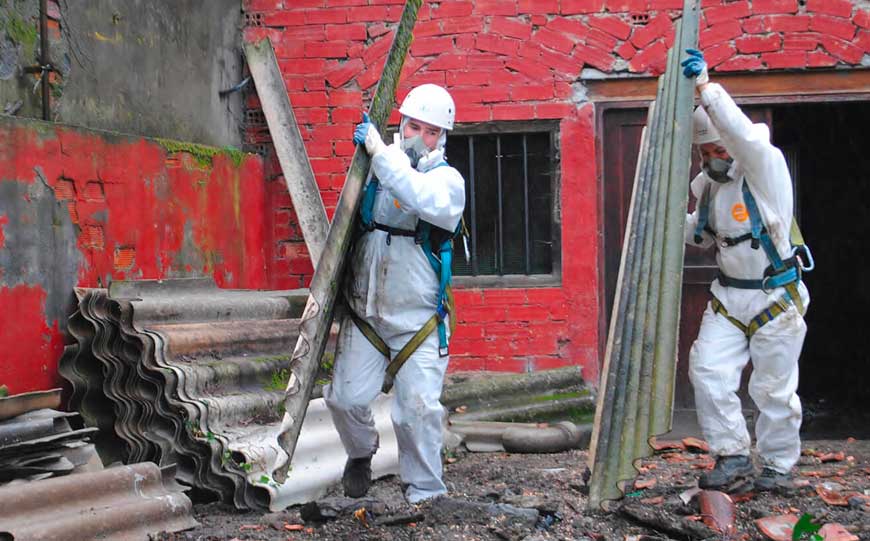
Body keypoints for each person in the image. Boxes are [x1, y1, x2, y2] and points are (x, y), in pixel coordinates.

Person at [323, 84, 466, 504]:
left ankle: (425, 494)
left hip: (417, 321)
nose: (419, 137)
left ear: (443, 137)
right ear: (400, 124)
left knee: (417, 412)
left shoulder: (447, 182)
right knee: (343, 399)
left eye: (431, 131)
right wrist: (371, 158)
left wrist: (380, 153)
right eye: (413, 126)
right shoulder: (376, 169)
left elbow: (418, 196)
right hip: (366, 314)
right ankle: (361, 452)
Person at [681, 49, 811, 492]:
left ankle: (777, 465)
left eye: (720, 147)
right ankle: (733, 457)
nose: (716, 155)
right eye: (707, 150)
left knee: (773, 390)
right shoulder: (708, 187)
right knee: (708, 370)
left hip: (776, 295)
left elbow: (742, 136)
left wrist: (706, 89)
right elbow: (701, 236)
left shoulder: (764, 166)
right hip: (729, 296)